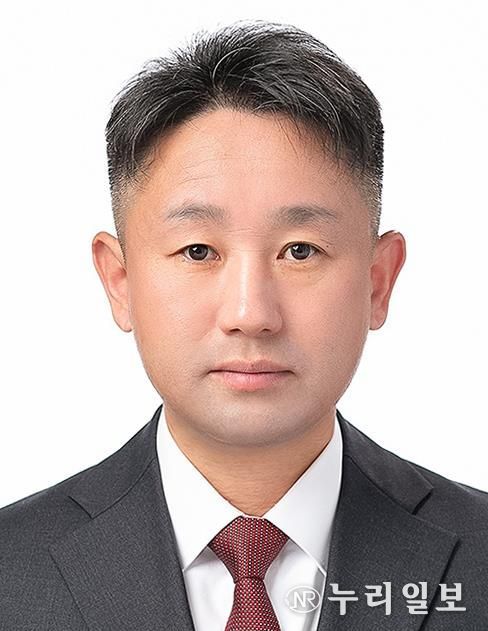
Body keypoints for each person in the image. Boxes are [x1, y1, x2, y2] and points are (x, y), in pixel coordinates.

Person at [0, 18, 487, 631]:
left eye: (300, 251)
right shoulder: (11, 573)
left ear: (377, 281)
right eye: (198, 251)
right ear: (119, 281)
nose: (250, 315)